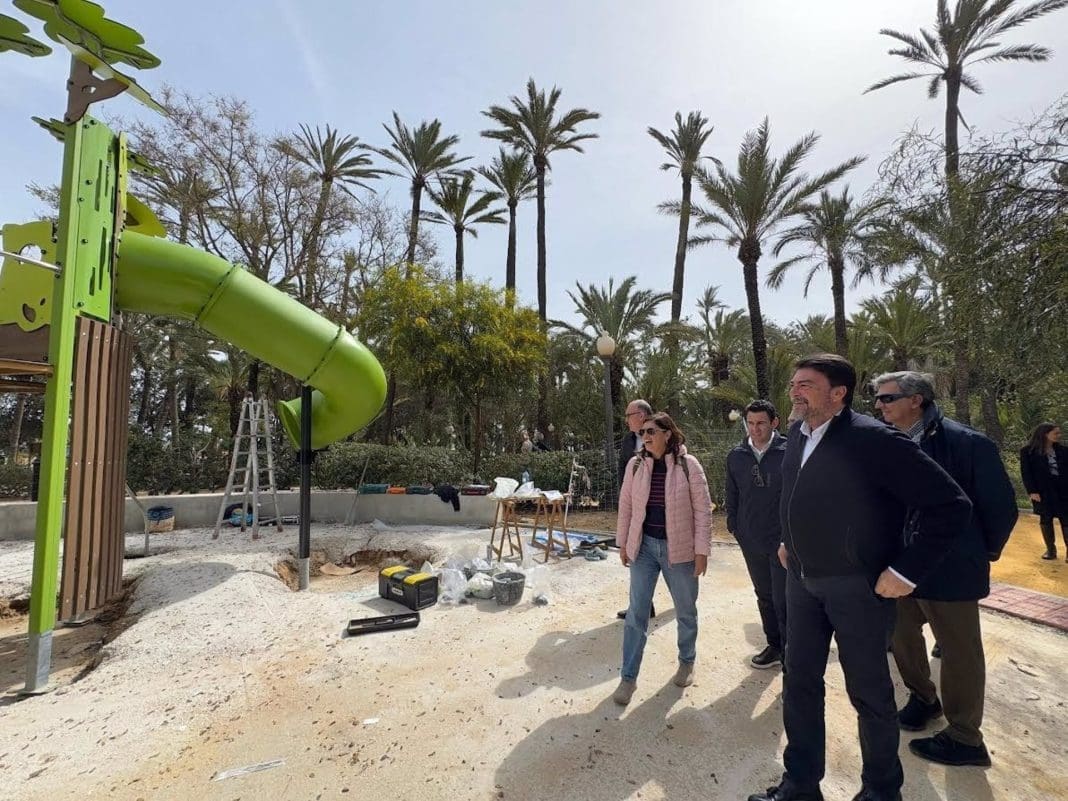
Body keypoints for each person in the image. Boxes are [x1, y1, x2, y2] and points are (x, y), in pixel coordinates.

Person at [748, 354, 971, 801]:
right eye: (793, 384)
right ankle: (800, 787)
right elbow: (795, 495)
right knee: (800, 684)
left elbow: (950, 506)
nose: (794, 391)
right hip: (802, 583)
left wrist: (906, 571)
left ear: (838, 393)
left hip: (858, 589)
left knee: (869, 696)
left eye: (806, 385)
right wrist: (788, 540)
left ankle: (882, 792)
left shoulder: (874, 439)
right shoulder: (798, 435)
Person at [874, 371, 1017, 768]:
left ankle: (965, 737)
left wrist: (980, 552)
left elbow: (1000, 508)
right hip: (902, 566)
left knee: (958, 652)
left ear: (915, 399)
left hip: (951, 566)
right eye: (878, 399)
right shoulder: (889, 443)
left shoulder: (967, 443)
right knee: (901, 636)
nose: (879, 405)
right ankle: (924, 699)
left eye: (887, 398)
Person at [612, 412, 712, 706]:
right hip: (643, 549)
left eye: (651, 431)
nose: (645, 436)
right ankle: (628, 678)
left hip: (679, 550)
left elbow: (703, 511)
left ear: (667, 434)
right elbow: (626, 506)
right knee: (636, 614)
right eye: (642, 432)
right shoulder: (635, 465)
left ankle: (687, 661)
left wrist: (701, 551)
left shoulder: (688, 465)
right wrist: (623, 543)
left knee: (685, 610)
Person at [726, 399, 788, 670]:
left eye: (761, 423)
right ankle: (774, 646)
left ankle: (790, 651)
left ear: (774, 422)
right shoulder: (736, 456)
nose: (755, 428)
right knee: (764, 595)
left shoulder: (790, 452)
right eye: (750, 423)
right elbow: (732, 494)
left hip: (783, 541)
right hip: (751, 540)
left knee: (784, 598)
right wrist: (734, 526)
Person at [616, 399, 657, 620]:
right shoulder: (628, 441)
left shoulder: (661, 432)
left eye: (628, 415)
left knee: (671, 562)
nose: (626, 420)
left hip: (659, 510)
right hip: (635, 508)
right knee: (638, 556)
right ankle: (642, 606)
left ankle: (683, 601)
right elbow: (622, 472)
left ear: (641, 415)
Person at [1020, 422, 1068, 561]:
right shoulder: (1028, 451)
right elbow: (1026, 473)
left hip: (1064, 489)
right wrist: (1032, 491)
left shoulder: (1064, 450)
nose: (1058, 435)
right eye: (1055, 433)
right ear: (1045, 434)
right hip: (1042, 491)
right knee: (1046, 518)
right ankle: (1050, 550)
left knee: (1066, 518)